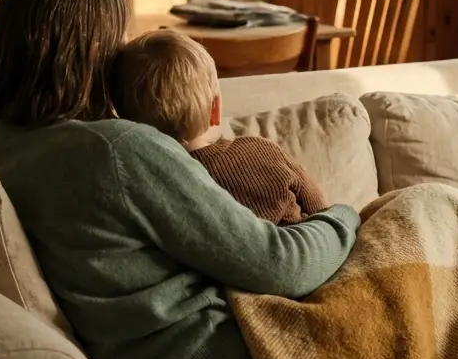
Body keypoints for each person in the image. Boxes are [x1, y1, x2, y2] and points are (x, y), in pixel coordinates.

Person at [0, 0, 360, 359]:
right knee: (425, 215)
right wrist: (347, 216)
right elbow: (280, 264)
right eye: (117, 44)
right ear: (92, 55)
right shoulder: (116, 151)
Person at [110, 31, 329, 225]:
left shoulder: (147, 185)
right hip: (310, 251)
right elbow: (322, 208)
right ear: (215, 109)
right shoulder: (260, 150)